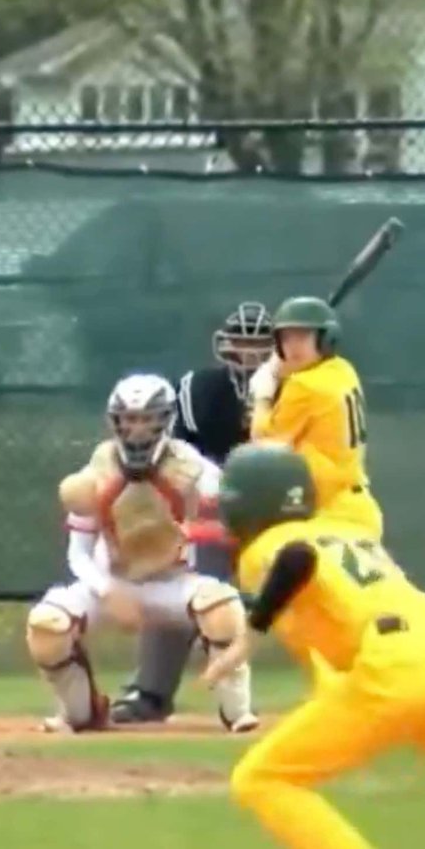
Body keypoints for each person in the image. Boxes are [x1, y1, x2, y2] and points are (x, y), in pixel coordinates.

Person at [203, 442, 425, 849]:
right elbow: (324, 647)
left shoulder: (267, 546)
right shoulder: (345, 530)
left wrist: (247, 637)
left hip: (400, 666)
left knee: (263, 778)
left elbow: (296, 558)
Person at [24, 372, 258, 734]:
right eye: (129, 420)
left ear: (165, 421)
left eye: (147, 419)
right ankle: (81, 713)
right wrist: (108, 592)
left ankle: (238, 714)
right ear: (115, 422)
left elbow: (233, 503)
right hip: (113, 582)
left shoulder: (191, 467)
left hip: (173, 583)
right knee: (46, 626)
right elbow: (79, 555)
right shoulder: (95, 472)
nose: (137, 430)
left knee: (222, 608)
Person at [113, 301, 273, 724]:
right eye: (240, 342)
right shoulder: (198, 391)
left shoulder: (297, 391)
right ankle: (151, 691)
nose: (249, 353)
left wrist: (265, 422)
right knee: (186, 586)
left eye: (259, 345)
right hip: (213, 511)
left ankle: (352, 689)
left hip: (280, 515)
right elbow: (180, 460)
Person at [248, 296, 382, 538]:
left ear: (326, 339)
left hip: (330, 516)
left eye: (303, 336)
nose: (293, 347)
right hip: (357, 508)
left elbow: (263, 445)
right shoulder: (342, 369)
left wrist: (262, 394)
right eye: (286, 338)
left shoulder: (303, 385)